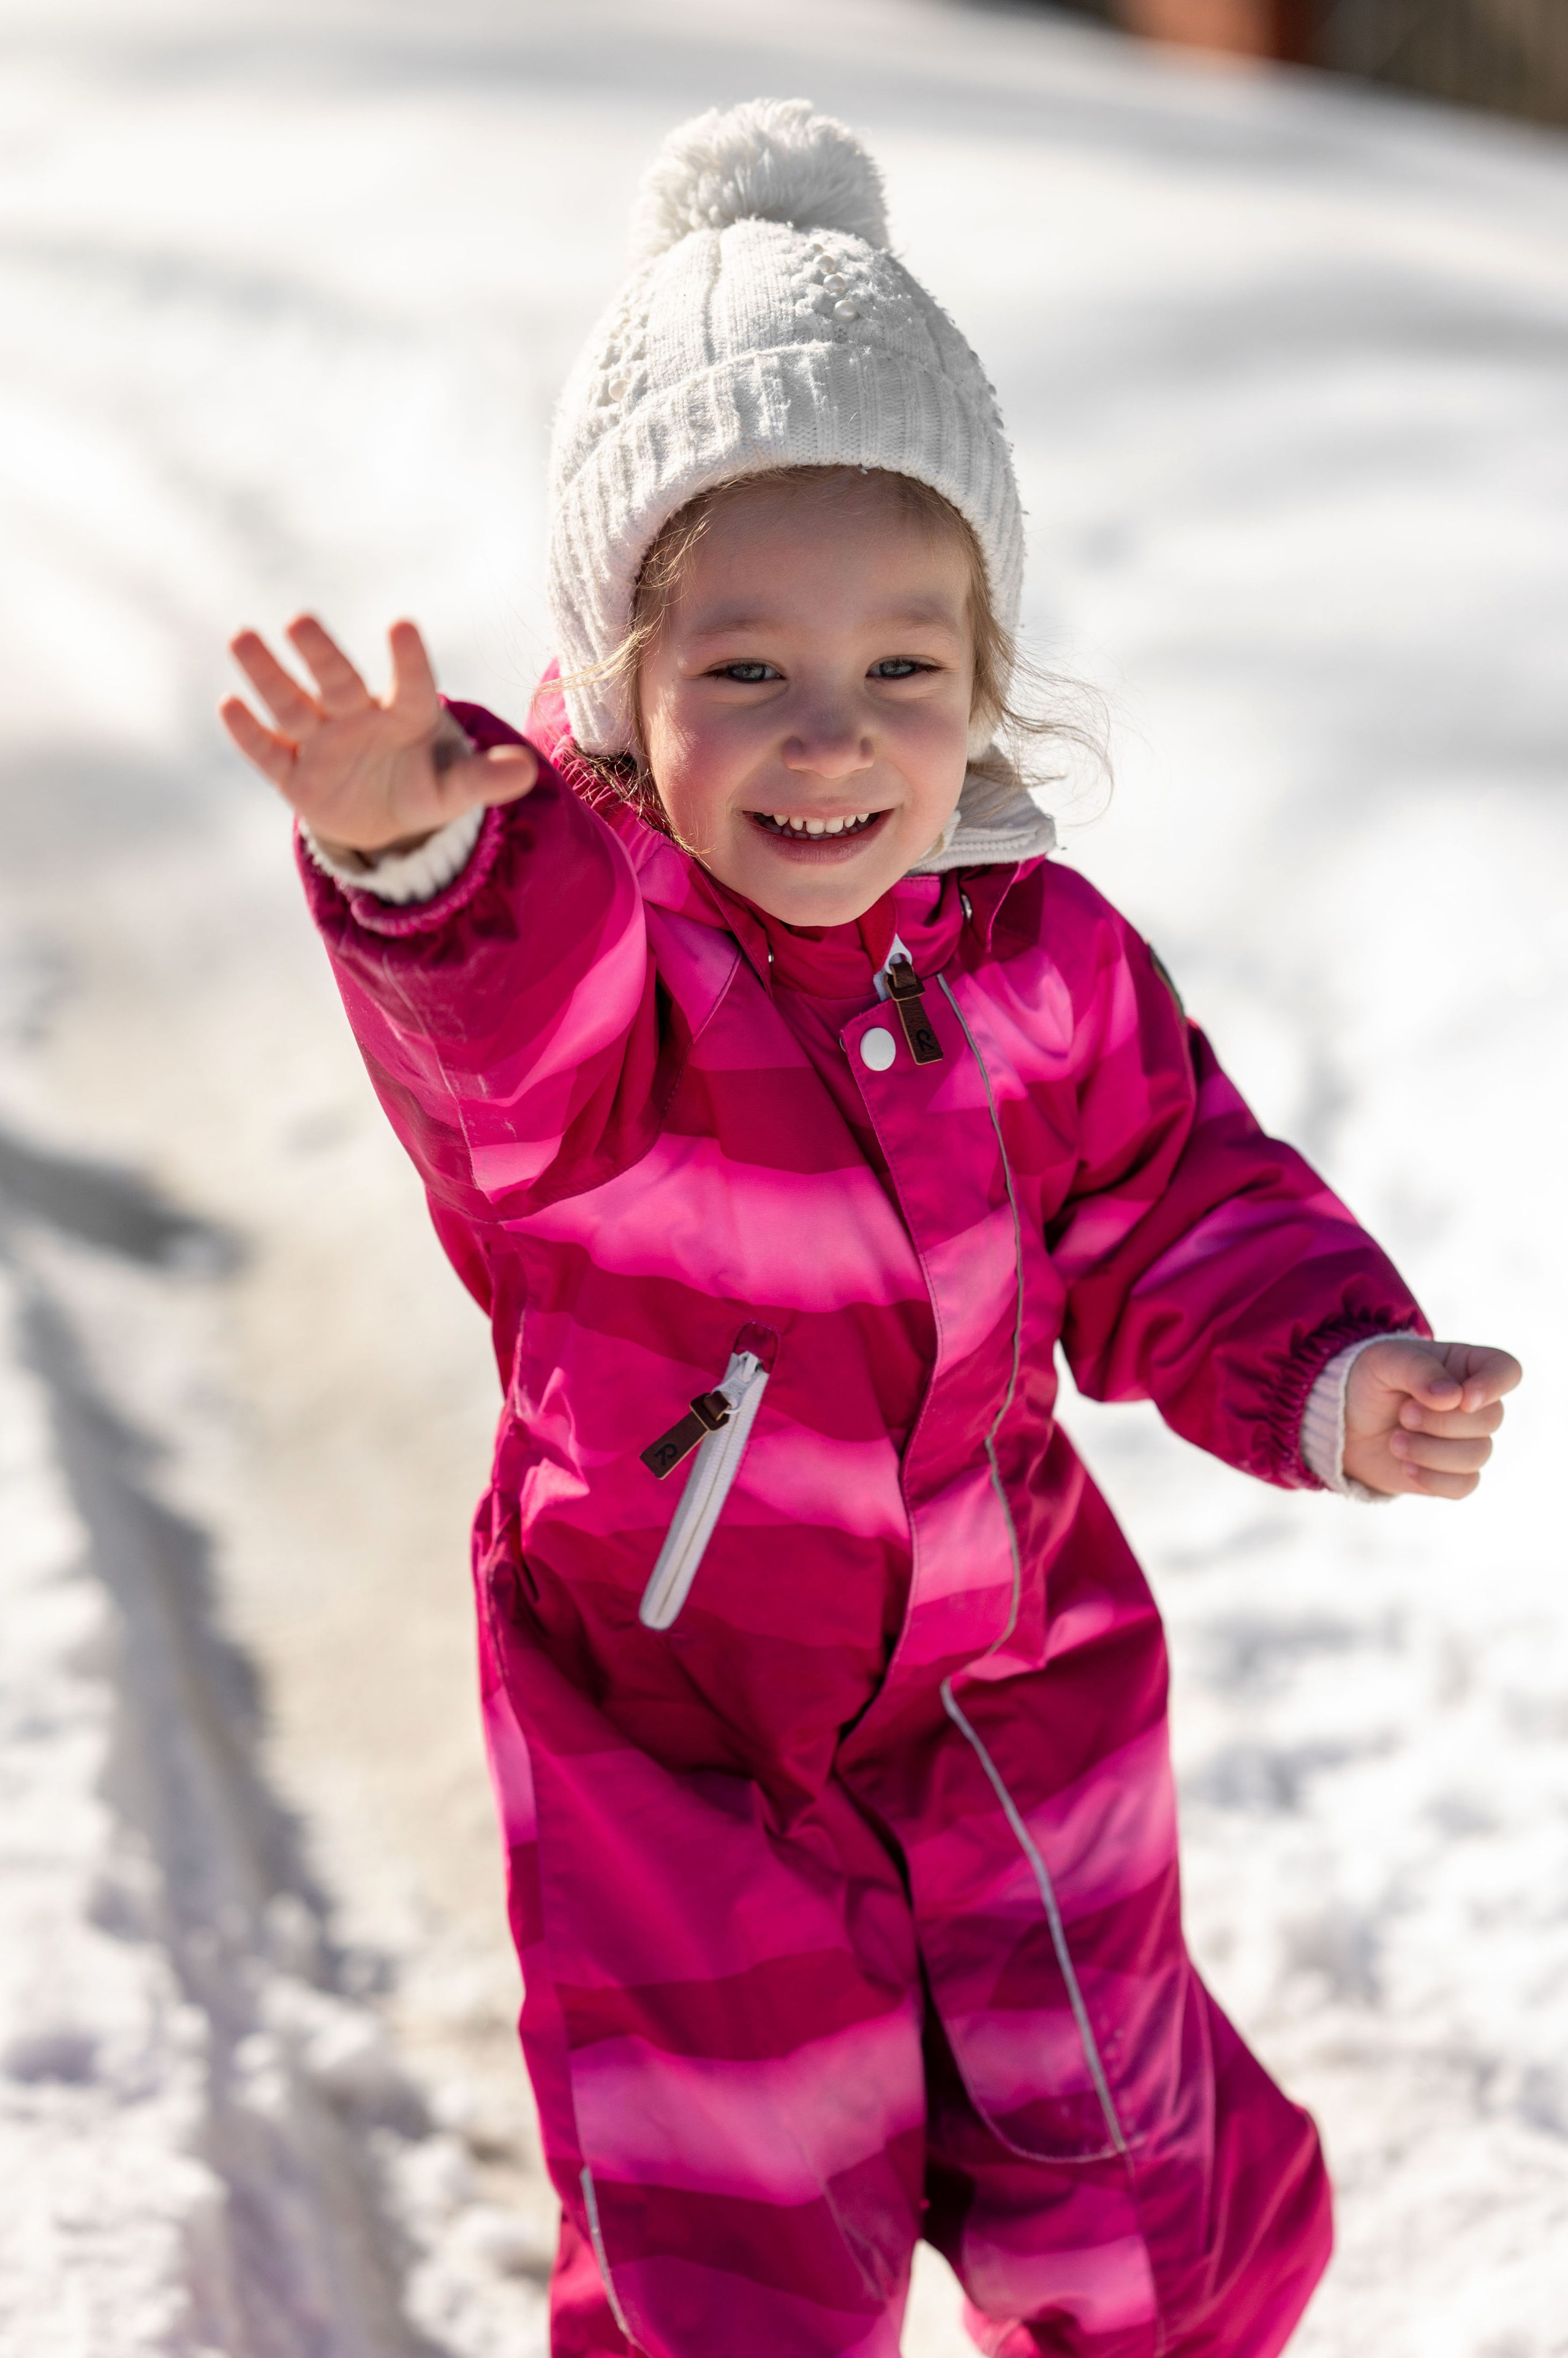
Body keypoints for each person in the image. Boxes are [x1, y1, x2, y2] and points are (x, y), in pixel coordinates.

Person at [220, 99, 1520, 2358]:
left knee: (1126, 2190)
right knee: (735, 2235)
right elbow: (501, 1053)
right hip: (673, 1729)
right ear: (622, 685)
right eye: (744, 671)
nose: (831, 739)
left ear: (985, 671)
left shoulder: (1038, 958)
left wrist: (1333, 1366)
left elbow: (1171, 1200)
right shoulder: (611, 961)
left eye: (904, 669)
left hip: (1019, 1683)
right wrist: (419, 865)